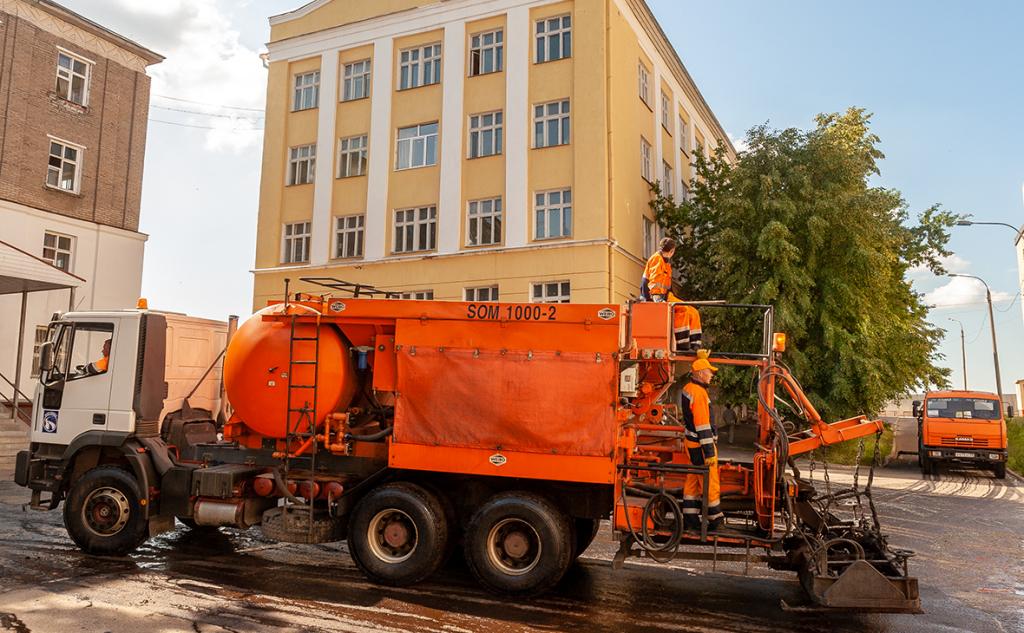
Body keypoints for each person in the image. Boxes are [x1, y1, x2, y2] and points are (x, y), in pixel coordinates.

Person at [681, 350, 724, 531]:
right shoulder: (698, 394)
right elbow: (702, 426)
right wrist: (709, 452)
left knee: (693, 478)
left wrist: (702, 358)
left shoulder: (689, 389)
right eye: (709, 372)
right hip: (700, 445)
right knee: (710, 479)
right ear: (699, 374)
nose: (711, 376)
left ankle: (690, 518)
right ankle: (716, 518)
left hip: (692, 443)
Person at [640, 237, 702, 352]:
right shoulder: (657, 260)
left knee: (693, 311)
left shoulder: (665, 261)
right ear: (672, 251)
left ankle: (695, 344)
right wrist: (657, 297)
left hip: (665, 296)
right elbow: (654, 281)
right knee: (683, 310)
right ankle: (682, 344)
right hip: (655, 297)